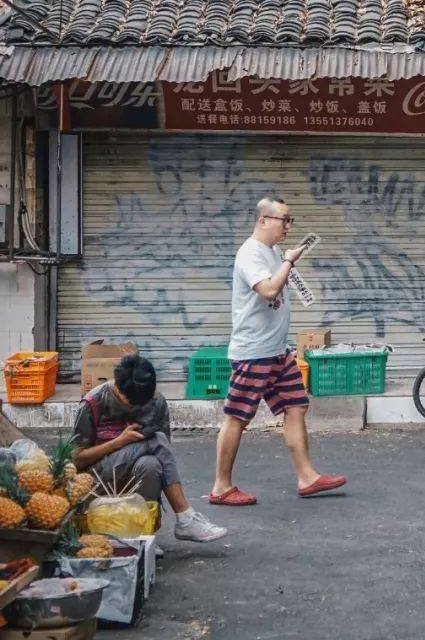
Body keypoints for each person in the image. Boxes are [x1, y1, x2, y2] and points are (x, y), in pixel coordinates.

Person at [211, 195, 346, 506]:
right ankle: (221, 486)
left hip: (276, 351)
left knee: (296, 406)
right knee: (237, 417)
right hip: (253, 351)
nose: (288, 225)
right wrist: (289, 261)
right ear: (263, 221)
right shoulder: (250, 254)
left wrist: (285, 260)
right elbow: (269, 290)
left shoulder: (272, 252)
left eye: (290, 220)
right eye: (284, 219)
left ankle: (307, 476)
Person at [73, 353, 227, 543]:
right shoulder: (93, 402)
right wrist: (119, 442)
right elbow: (76, 459)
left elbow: (165, 462)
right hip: (97, 482)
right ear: (119, 389)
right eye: (131, 402)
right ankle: (185, 517)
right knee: (157, 440)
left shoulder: (156, 401)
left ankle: (143, 536)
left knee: (151, 464)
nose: (138, 407)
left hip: (136, 477)